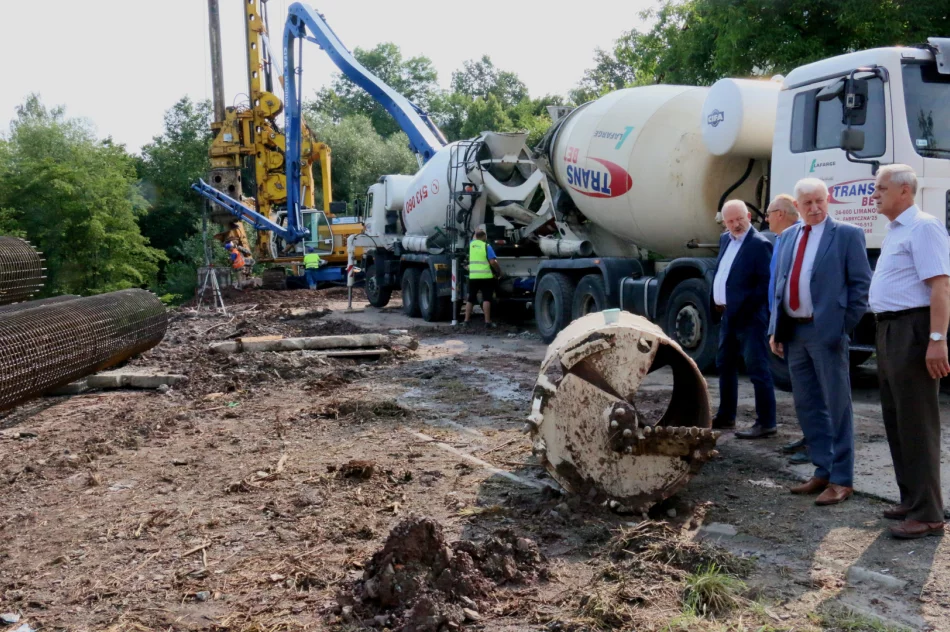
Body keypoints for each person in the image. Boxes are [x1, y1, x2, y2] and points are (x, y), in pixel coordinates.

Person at [769, 178, 871, 506]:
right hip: (794, 333)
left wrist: (841, 327)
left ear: (828, 200)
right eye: (807, 204)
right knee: (807, 404)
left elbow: (860, 287)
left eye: (819, 201)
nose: (814, 209)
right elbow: (780, 286)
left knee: (837, 405)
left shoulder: (846, 235)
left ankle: (842, 478)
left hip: (826, 333)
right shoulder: (787, 237)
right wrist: (775, 329)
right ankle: (823, 470)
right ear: (796, 207)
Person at [868, 164, 948, 539]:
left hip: (913, 330)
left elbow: (940, 287)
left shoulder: (924, 227)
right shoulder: (897, 230)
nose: (875, 194)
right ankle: (911, 499)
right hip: (889, 329)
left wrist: (937, 339)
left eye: (881, 188)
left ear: (904, 191)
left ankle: (929, 513)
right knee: (897, 419)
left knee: (917, 422)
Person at [710, 200, 776, 439]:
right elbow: (723, 272)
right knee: (724, 365)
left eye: (740, 219)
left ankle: (767, 422)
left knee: (757, 368)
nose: (736, 225)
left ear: (749, 216)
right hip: (728, 315)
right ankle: (726, 416)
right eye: (730, 221)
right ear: (724, 222)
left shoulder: (760, 244)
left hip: (750, 318)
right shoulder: (725, 239)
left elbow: (765, 285)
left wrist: (743, 308)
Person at [766, 194, 809, 464]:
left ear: (780, 213)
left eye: (769, 212)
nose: (766, 218)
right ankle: (808, 437)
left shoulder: (796, 238)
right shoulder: (783, 239)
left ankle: (815, 443)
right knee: (800, 389)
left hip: (799, 326)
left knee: (811, 390)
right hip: (783, 323)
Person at [463, 229, 501, 328]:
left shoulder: (471, 245)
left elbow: (466, 257)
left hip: (473, 276)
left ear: (475, 236)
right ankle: (487, 322)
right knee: (486, 298)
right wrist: (498, 271)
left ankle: (466, 321)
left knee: (470, 298)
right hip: (486, 277)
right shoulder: (486, 246)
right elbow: (493, 262)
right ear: (485, 237)